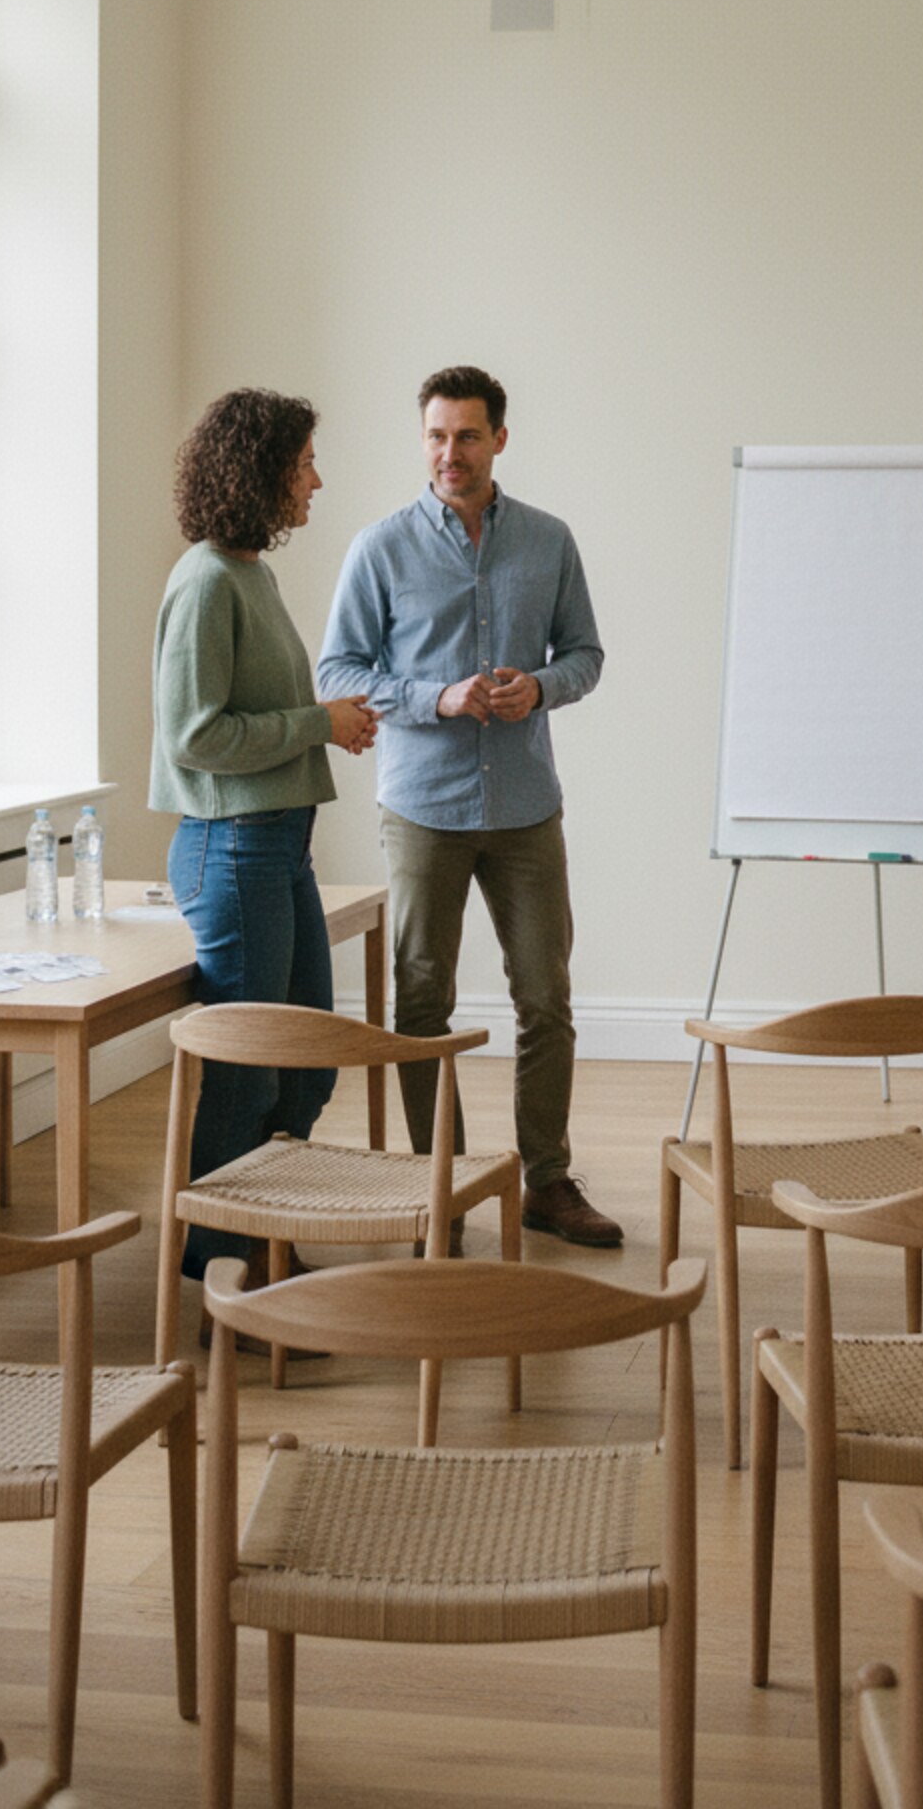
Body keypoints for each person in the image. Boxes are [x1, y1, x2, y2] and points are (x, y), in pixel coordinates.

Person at [317, 365, 620, 1248]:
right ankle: (435, 1185)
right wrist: (435, 700)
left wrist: (544, 686)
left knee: (547, 997)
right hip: (422, 807)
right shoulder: (379, 548)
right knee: (420, 1001)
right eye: (437, 437)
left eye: (468, 436)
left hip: (527, 804)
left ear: (500, 439)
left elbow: (588, 653)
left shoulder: (549, 540)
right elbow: (338, 672)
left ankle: (549, 1181)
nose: (451, 453)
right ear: (424, 440)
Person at [151, 388, 378, 1289]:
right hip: (233, 848)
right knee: (246, 1077)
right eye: (304, 462)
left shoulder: (248, 572)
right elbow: (194, 736)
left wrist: (321, 721)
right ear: (263, 469)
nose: (316, 480)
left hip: (279, 846)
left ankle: (259, 1234)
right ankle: (217, 1269)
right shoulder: (206, 581)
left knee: (306, 1065)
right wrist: (318, 723)